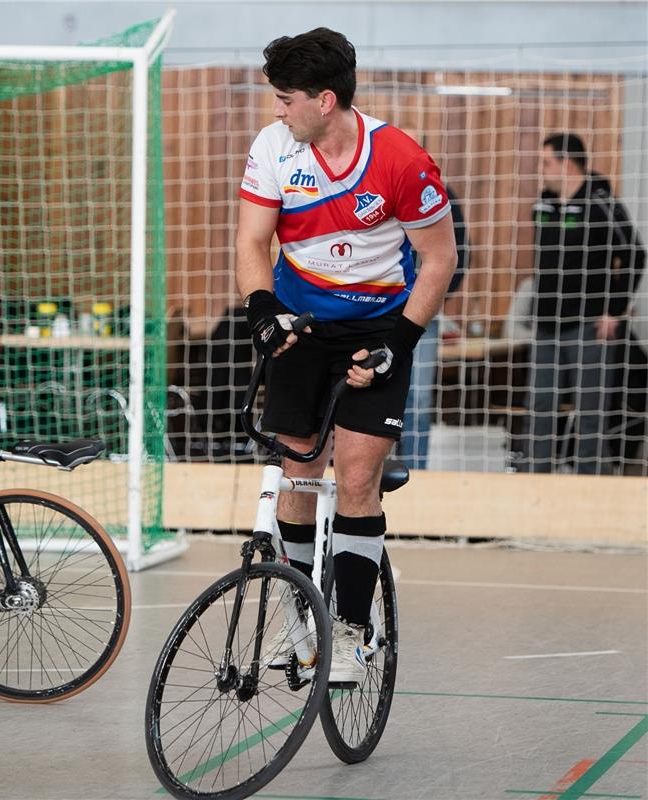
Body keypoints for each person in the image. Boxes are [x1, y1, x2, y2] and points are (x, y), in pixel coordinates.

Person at [236, 28, 457, 683]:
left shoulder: (399, 159)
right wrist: (260, 309)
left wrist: (400, 342)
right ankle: (299, 624)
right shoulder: (273, 148)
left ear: (323, 100)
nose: (275, 110)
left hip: (377, 329)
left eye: (284, 98)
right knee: (297, 475)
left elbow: (439, 257)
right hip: (302, 328)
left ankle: (353, 632)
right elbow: (252, 241)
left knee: (355, 478)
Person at [527, 133, 645, 475]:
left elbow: (635, 254)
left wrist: (615, 311)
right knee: (540, 408)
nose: (541, 169)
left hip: (587, 325)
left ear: (567, 163)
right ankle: (536, 483)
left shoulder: (602, 201)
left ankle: (590, 485)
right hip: (546, 326)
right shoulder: (544, 203)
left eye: (546, 162)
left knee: (590, 412)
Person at [396, 132, 471, 468]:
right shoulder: (377, 189)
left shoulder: (440, 195)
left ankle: (415, 477)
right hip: (376, 313)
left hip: (423, 316)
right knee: (370, 398)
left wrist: (434, 297)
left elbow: (459, 255)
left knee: (418, 401)